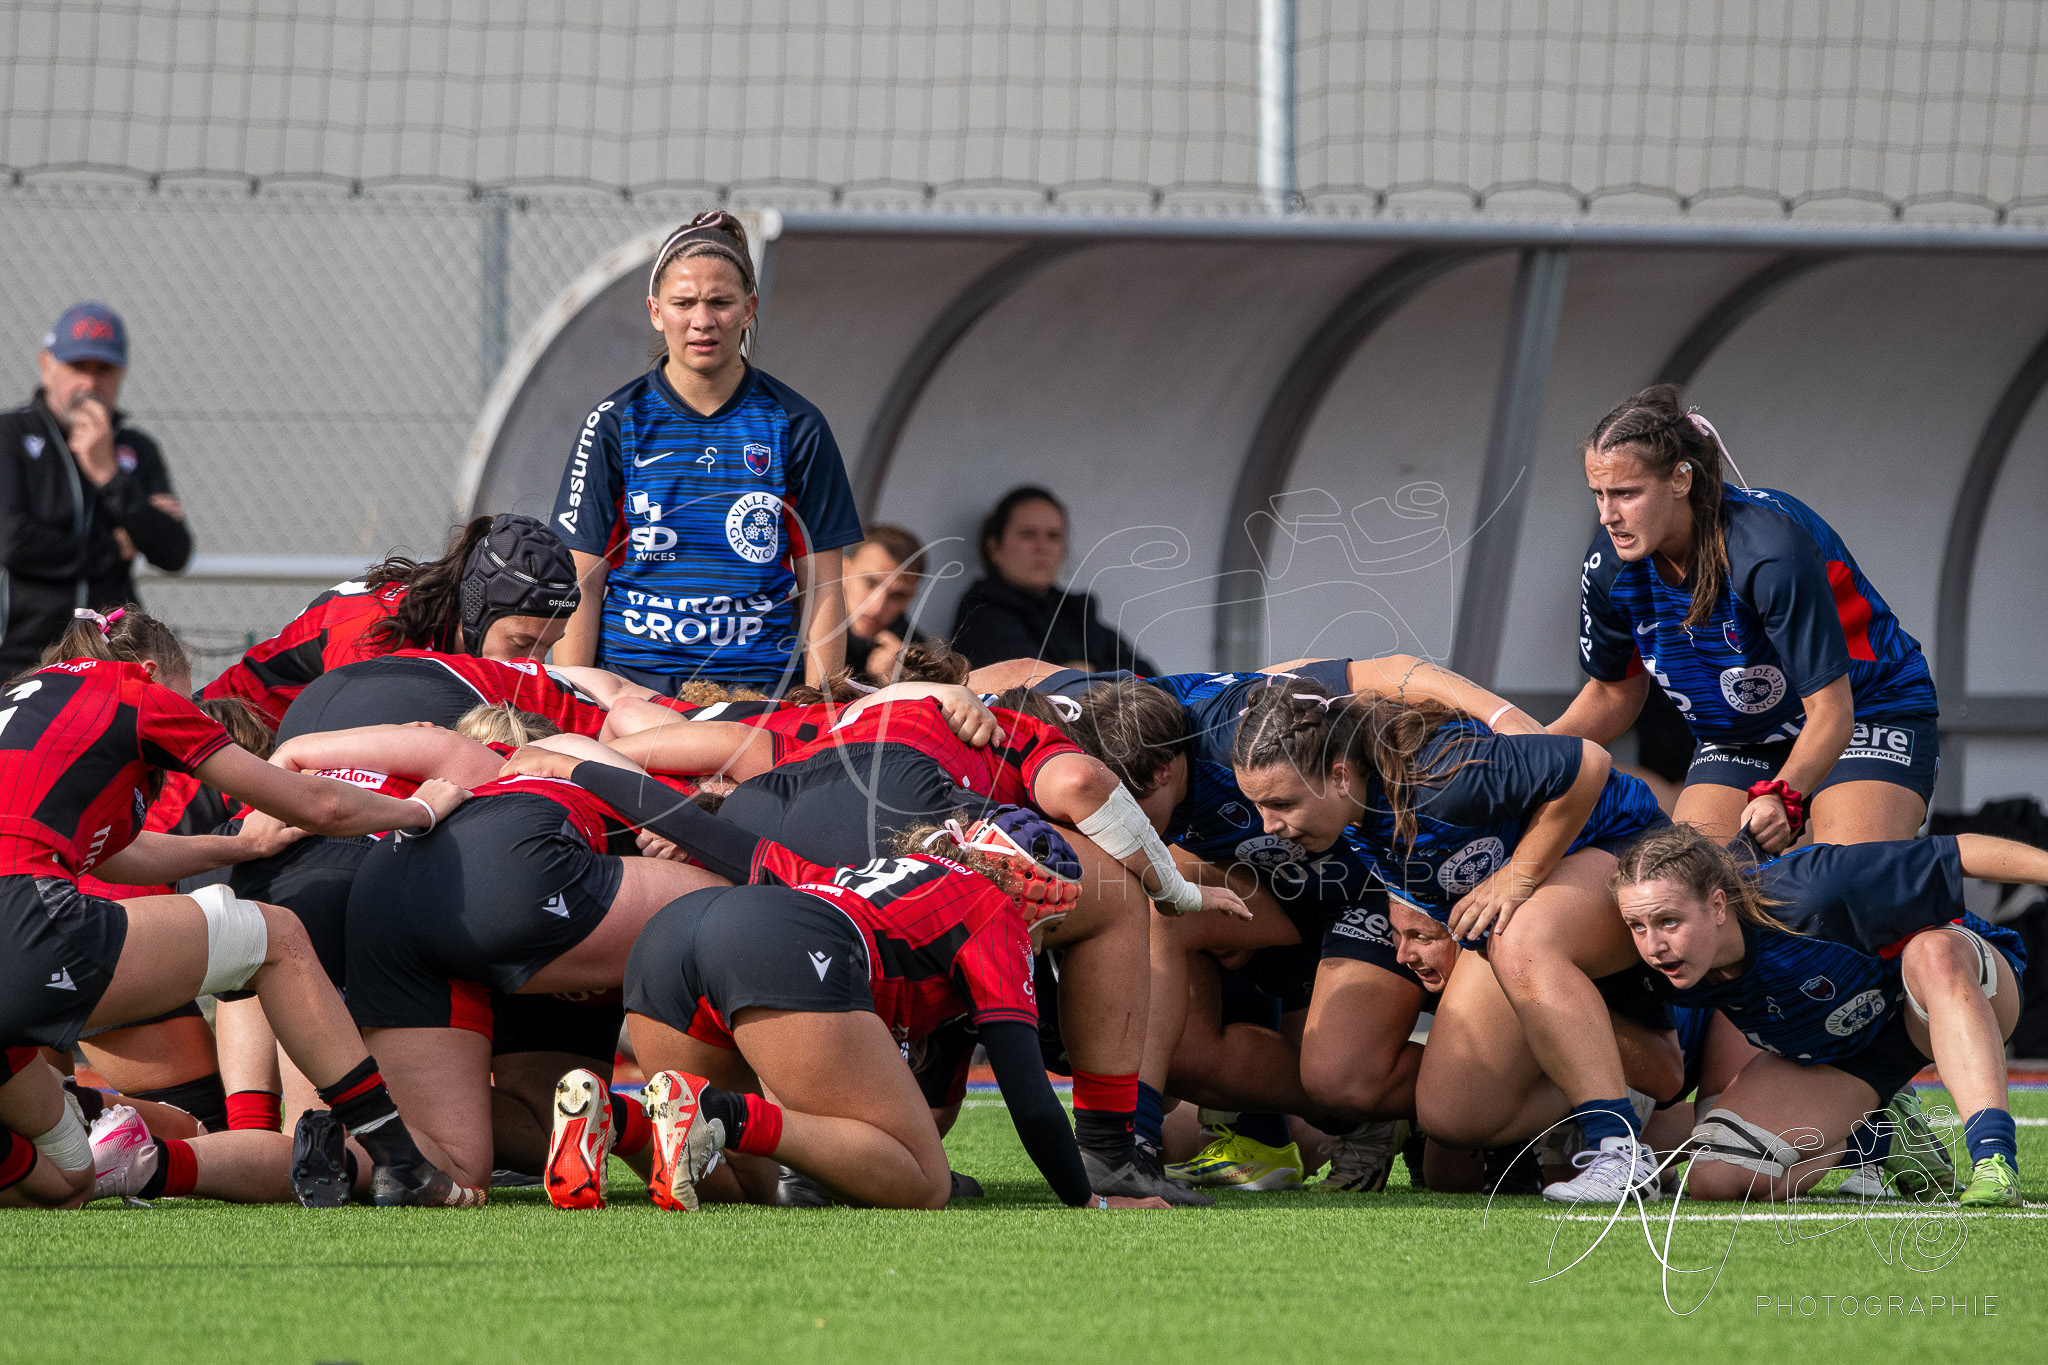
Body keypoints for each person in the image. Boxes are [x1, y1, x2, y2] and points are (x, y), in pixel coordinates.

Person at [0, 608, 469, 1209]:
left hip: (27, 936)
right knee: (275, 936)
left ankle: (109, 1132)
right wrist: (420, 809)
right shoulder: (135, 694)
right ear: (149, 670)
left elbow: (117, 855)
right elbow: (317, 805)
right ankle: (401, 1161)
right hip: (27, 925)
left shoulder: (26, 697)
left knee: (66, 1183)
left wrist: (242, 845)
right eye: (187, 693)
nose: (191, 705)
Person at [547, 789, 1100, 1211]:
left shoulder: (884, 875)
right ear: (1034, 901)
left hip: (670, 934)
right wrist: (1088, 1200)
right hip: (779, 942)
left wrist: (577, 769)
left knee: (746, 1184)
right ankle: (717, 1109)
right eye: (1048, 931)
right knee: (923, 1183)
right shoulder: (995, 915)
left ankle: (617, 1118)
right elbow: (1029, 1098)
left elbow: (735, 845)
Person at [1228, 681, 1673, 1204]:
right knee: (1454, 1115)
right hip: (1544, 910)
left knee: (1516, 936)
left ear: (1339, 776)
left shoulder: (1444, 779)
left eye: (1282, 803)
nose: (1270, 825)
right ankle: (1609, 1085)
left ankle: (1618, 1150)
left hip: (1632, 853)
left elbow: (1590, 762)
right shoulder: (1349, 808)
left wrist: (1520, 876)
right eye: (1258, 806)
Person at [1555, 385, 1938, 853]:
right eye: (1598, 494)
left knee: (1842, 884)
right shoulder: (1609, 564)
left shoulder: (1767, 551)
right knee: (1697, 888)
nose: (1608, 515)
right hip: (1743, 735)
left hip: (1866, 709)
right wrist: (1523, 752)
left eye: (1626, 494)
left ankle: (1958, 927)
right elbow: (1615, 692)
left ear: (1681, 479)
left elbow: (1831, 712)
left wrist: (1784, 795)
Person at [1614, 824, 2036, 1207]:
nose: (1653, 945)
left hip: (1955, 993)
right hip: (1849, 1058)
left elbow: (1958, 853)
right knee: (1716, 1183)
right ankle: (1885, 1136)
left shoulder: (1813, 889)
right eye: (1637, 926)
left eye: (1669, 921)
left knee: (1934, 953)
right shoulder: (1657, 971)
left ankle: (1994, 1160)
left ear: (1719, 905)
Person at [551, 212, 860, 696]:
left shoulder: (797, 424)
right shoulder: (614, 421)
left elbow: (822, 586)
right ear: (655, 310)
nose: (702, 320)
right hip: (633, 685)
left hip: (756, 688)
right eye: (683, 303)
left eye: (720, 302)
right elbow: (582, 583)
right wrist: (577, 698)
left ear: (749, 308)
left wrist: (822, 707)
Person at [205, 514, 581, 727]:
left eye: (547, 647)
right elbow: (343, 748)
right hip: (223, 742)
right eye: (521, 643)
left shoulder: (448, 623)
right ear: (476, 607)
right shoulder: (376, 629)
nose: (532, 664)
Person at [0, 303, 191, 672]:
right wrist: (112, 547)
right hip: (21, 654)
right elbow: (13, 542)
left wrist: (108, 474)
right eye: (77, 367)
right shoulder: (10, 436)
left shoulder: (136, 448)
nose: (90, 383)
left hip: (113, 656)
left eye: (103, 370)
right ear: (47, 365)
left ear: (121, 372)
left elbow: (173, 551)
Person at [950, 487, 1159, 675]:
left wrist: (1092, 670)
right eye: (1028, 534)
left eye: (1054, 536)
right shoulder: (980, 612)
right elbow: (1036, 686)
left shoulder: (1077, 611)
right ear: (994, 548)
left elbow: (1147, 675)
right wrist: (1091, 674)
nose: (1042, 547)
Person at [842, 525, 938, 683]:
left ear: (911, 598)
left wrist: (898, 683)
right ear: (844, 571)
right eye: (870, 582)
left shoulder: (919, 658)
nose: (876, 608)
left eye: (897, 595)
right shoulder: (795, 621)